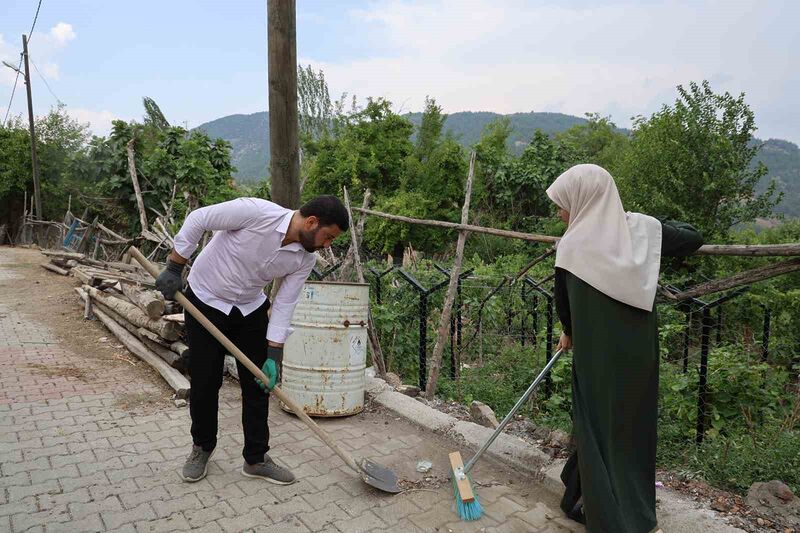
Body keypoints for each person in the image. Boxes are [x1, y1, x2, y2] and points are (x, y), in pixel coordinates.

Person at [547, 164, 703, 532]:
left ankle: (603, 510)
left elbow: (564, 307)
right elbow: (693, 238)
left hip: (596, 359)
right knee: (630, 429)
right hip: (637, 358)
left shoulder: (570, 247)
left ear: (584, 201)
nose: (559, 213)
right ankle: (627, 505)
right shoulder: (643, 229)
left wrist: (569, 333)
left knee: (596, 426)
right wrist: (650, 220)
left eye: (563, 204)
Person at [155, 195, 349, 484]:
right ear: (311, 222)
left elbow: (284, 303)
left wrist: (274, 353)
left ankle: (256, 458)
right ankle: (202, 447)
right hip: (206, 298)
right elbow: (199, 219)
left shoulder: (304, 259)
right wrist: (175, 265)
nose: (327, 245)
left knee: (259, 384)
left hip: (249, 307)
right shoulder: (255, 212)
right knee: (206, 381)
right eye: (328, 236)